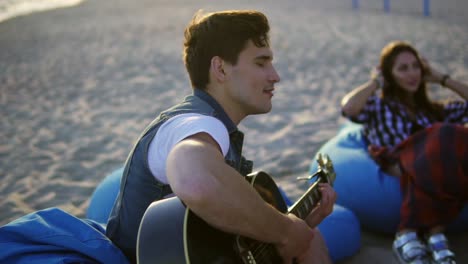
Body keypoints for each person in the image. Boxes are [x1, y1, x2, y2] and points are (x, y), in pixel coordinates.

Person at [106, 9, 336, 264]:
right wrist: (285, 230)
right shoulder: (199, 125)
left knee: (310, 237)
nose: (275, 76)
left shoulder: (202, 123)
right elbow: (197, 182)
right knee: (313, 243)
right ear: (221, 69)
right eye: (261, 63)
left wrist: (300, 225)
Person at [341, 40, 468, 264]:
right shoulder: (378, 106)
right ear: (389, 75)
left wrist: (442, 79)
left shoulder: (433, 111)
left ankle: (423, 235)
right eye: (402, 68)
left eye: (416, 66)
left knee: (450, 134)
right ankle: (426, 232)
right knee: (442, 133)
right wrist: (375, 82)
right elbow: (348, 108)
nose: (412, 74)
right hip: (396, 159)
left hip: (427, 163)